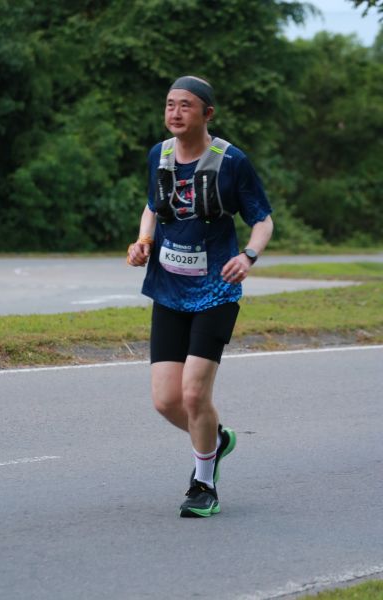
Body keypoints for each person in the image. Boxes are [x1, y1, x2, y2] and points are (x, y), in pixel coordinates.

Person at [127, 75, 273, 518]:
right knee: (165, 401)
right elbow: (153, 206)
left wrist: (248, 256)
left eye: (185, 105)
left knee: (193, 395)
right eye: (170, 104)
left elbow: (263, 219)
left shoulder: (231, 161)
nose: (174, 112)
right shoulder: (160, 155)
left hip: (215, 292)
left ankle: (203, 484)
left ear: (207, 113)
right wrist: (143, 241)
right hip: (168, 290)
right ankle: (217, 438)